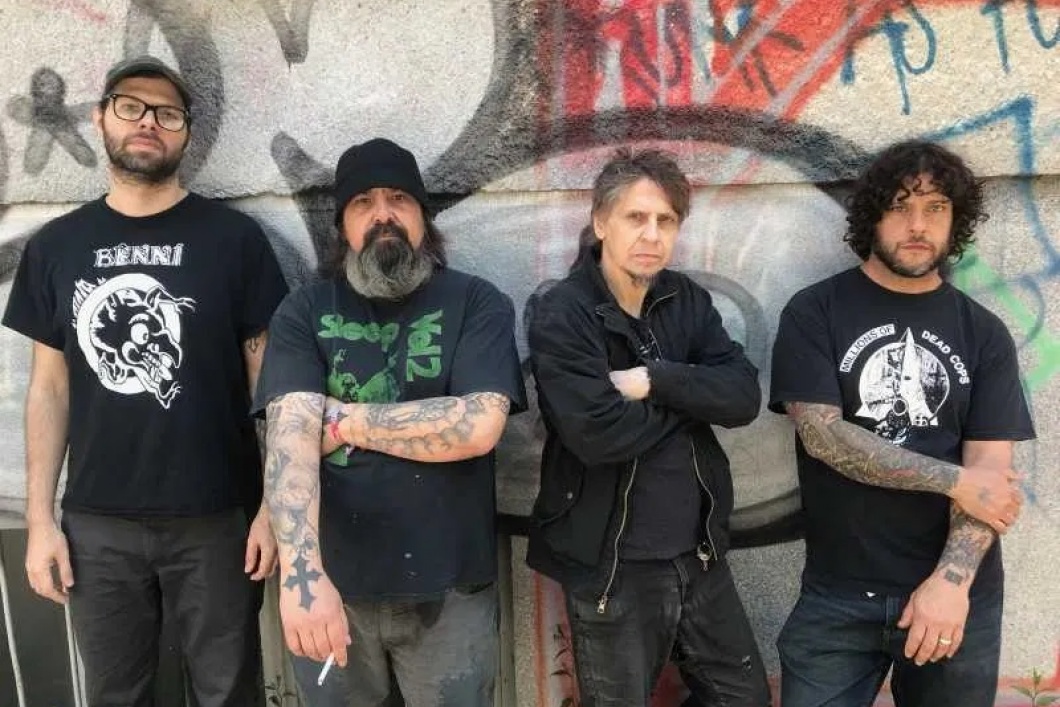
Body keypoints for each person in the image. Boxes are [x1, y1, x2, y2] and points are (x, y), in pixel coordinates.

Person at [2, 55, 289, 705]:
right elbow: (48, 390)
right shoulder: (57, 246)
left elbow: (269, 385)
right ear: (101, 118)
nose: (148, 122)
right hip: (98, 523)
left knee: (228, 692)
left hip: (217, 518)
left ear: (186, 133)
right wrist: (40, 519)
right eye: (130, 106)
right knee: (115, 694)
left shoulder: (234, 240)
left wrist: (274, 508)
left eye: (167, 113)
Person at [254, 137, 527, 706]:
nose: (383, 214)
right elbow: (290, 440)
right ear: (342, 227)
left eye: (399, 199)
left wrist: (341, 420)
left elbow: (478, 425)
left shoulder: (476, 302)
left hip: (451, 591)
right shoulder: (304, 310)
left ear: (423, 217)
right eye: (363, 202)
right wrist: (302, 579)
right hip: (332, 589)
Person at [769, 139, 1034, 707]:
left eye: (935, 208)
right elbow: (823, 436)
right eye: (899, 206)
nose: (917, 225)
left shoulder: (984, 333)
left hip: (954, 595)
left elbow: (991, 476)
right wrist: (954, 480)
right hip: (839, 596)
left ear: (955, 220)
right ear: (872, 215)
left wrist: (950, 584)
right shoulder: (815, 311)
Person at [526, 147, 771, 707]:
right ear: (601, 222)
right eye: (636, 217)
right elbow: (598, 435)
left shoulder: (685, 299)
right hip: (615, 568)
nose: (652, 235)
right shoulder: (563, 313)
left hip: (698, 554)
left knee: (744, 699)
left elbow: (742, 397)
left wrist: (654, 379)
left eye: (666, 221)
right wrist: (691, 394)